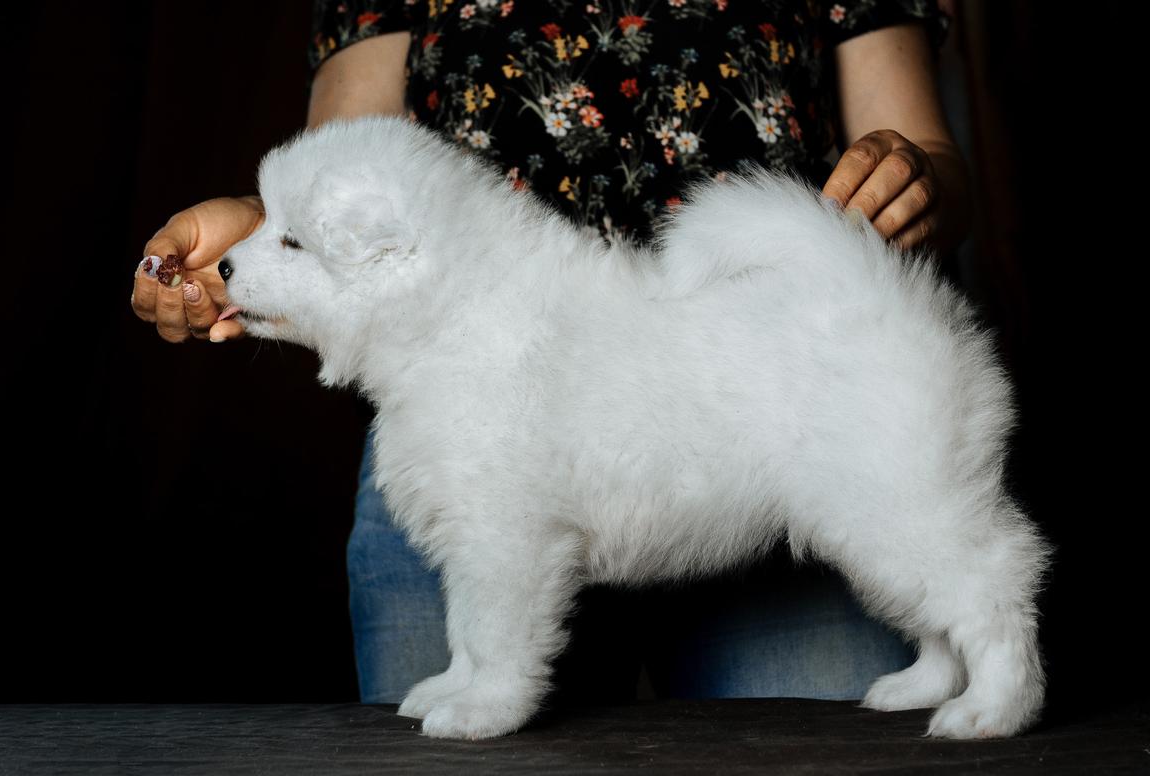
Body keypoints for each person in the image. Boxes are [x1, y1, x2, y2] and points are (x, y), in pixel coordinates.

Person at [131, 0, 970, 708]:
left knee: (816, 750)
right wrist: (260, 234)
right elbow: (341, 170)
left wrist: (915, 176)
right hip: (458, 377)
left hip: (777, 385)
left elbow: (927, 146)